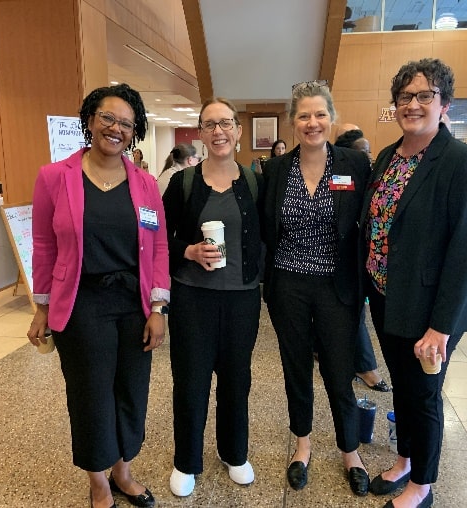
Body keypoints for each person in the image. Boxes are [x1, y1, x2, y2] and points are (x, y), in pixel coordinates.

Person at [26, 84, 169, 508]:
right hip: (82, 303)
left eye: (126, 123)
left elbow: (158, 246)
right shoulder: (54, 177)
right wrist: (41, 307)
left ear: (134, 132)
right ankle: (98, 480)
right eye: (107, 118)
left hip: (133, 303)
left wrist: (158, 307)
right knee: (91, 394)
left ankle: (123, 472)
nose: (116, 128)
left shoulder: (144, 184)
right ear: (89, 120)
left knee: (131, 389)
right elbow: (43, 245)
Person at [360, 58, 467, 508]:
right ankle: (406, 459)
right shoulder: (388, 157)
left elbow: (465, 254)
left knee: (426, 394)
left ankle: (422, 485)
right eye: (404, 97)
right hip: (386, 298)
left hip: (431, 310)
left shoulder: (462, 162)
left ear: (444, 103)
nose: (413, 104)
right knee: (403, 385)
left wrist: (441, 326)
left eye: (424, 96)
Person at [262, 80, 372, 496]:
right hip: (287, 283)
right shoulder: (275, 170)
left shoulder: (354, 165)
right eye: (304, 116)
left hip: (336, 285)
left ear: (332, 117)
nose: (313, 123)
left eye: (320, 114)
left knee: (339, 370)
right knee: (295, 368)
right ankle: (302, 446)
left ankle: (351, 451)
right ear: (293, 122)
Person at [162, 97, 263, 497]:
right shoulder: (182, 183)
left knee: (237, 380)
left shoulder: (255, 181)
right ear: (201, 133)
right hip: (193, 299)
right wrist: (187, 251)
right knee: (191, 381)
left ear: (238, 131)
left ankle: (234, 453)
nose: (218, 131)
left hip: (242, 298)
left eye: (225, 123)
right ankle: (186, 460)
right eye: (209, 124)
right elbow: (157, 241)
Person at [333, 131, 388, 392]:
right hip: (337, 259)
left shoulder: (374, 175)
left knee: (356, 313)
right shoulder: (337, 174)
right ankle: (365, 367)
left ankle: (364, 365)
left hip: (366, 258)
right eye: (363, 150)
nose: (369, 155)